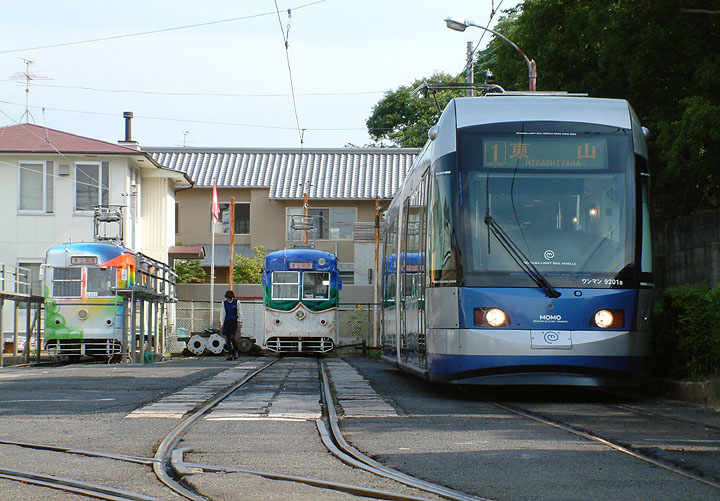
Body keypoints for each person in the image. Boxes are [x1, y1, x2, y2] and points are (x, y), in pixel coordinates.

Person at [219, 290, 244, 360]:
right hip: (227, 321)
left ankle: (235, 352)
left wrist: (240, 321)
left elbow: (239, 312)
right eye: (228, 298)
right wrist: (222, 323)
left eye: (230, 298)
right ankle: (230, 353)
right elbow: (223, 313)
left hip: (234, 321)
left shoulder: (237, 302)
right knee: (228, 338)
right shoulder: (224, 303)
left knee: (233, 337)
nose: (229, 299)